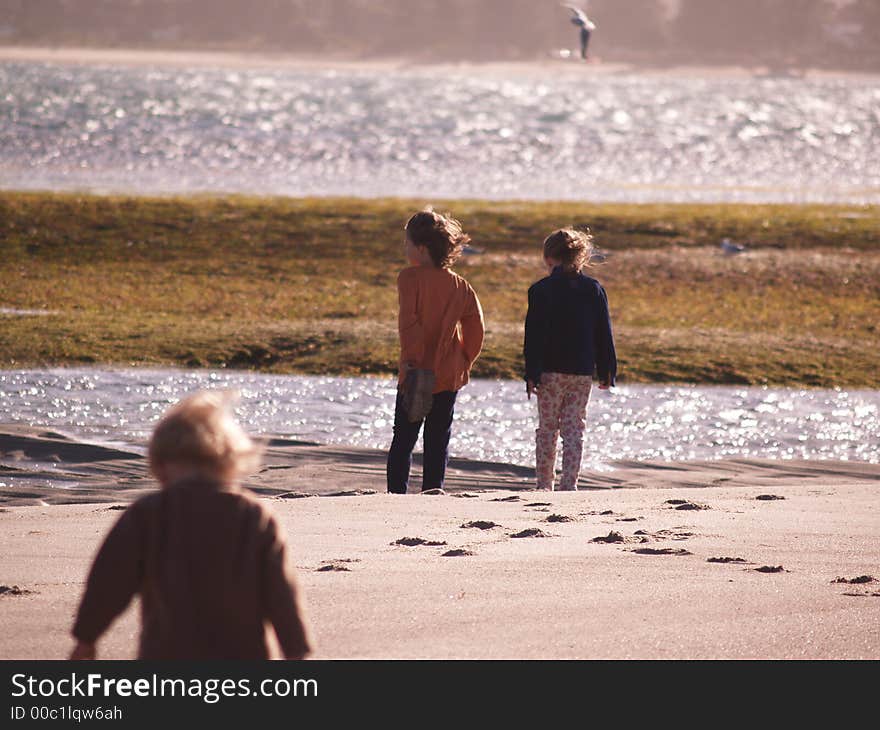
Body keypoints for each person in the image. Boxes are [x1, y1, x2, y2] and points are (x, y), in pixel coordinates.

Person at [69, 390, 311, 660]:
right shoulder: (254, 515)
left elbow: (110, 581)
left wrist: (86, 637)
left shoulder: (147, 515)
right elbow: (280, 592)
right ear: (230, 462)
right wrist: (295, 650)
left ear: (159, 465)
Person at [386, 209, 485, 494]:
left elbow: (409, 323)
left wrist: (412, 362)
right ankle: (433, 490)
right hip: (448, 373)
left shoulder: (409, 278)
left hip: (416, 373)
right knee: (437, 437)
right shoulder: (461, 285)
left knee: (404, 437)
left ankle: (397, 492)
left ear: (421, 248)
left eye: (406, 244)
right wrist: (465, 359)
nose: (404, 249)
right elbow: (476, 329)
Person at [523, 228, 616, 491]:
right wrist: (607, 369)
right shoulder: (593, 290)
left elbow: (534, 336)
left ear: (549, 257)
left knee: (548, 429)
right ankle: (569, 483)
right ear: (580, 256)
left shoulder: (541, 290)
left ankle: (544, 484)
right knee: (574, 429)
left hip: (549, 371)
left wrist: (531, 373)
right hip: (582, 371)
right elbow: (603, 333)